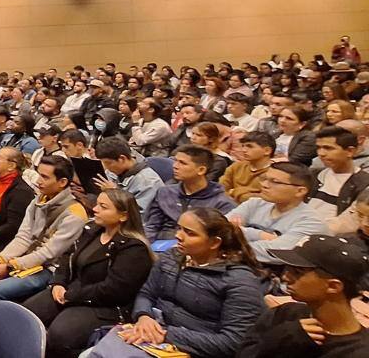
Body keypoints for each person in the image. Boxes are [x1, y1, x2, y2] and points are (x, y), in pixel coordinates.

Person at [91, 208, 265, 358]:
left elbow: (233, 342)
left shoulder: (240, 281)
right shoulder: (170, 257)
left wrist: (166, 334)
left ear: (215, 242)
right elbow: (146, 293)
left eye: (190, 233)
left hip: (195, 349)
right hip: (155, 335)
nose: (178, 236)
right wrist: (144, 317)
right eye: (179, 228)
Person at [22, 189, 155, 358]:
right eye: (97, 204)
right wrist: (58, 283)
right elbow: (67, 257)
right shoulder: (92, 229)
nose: (95, 209)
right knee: (27, 314)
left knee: (60, 334)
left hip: (104, 305)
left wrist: (71, 295)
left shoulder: (134, 249)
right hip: (71, 291)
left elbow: (114, 291)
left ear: (123, 216)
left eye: (103, 207)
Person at [0, 155, 88, 306]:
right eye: (38, 175)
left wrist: (10, 266)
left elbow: (48, 253)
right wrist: (2, 259)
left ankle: (4, 325)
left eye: (45, 177)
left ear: (62, 182)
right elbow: (23, 237)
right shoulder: (38, 200)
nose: (38, 181)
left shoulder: (74, 214)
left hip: (48, 268)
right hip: (25, 257)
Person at [236, 235, 369, 357]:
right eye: (287, 269)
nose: (285, 277)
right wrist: (275, 341)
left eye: (297, 272)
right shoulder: (284, 313)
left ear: (333, 286)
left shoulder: (360, 352)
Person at [227, 162, 327, 265]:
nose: (264, 185)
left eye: (275, 182)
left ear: (300, 191)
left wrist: (237, 233)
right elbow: (219, 229)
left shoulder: (312, 222)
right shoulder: (254, 203)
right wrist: (260, 235)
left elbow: (276, 252)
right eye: (264, 179)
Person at [143, 146, 238, 245]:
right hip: (159, 246)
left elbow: (218, 239)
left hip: (194, 250)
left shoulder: (222, 202)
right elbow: (151, 227)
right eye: (176, 161)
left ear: (201, 170)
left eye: (182, 163)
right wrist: (146, 248)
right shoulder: (164, 192)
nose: (175, 166)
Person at [308, 128, 369, 234]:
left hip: (327, 239)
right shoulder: (313, 174)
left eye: (328, 148)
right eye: (318, 148)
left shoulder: (364, 183)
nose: (321, 153)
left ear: (350, 151)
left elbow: (346, 225)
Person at [95, 137, 164, 212]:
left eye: (108, 163)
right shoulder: (113, 172)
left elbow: (139, 216)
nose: (106, 168)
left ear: (122, 159)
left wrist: (115, 193)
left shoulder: (148, 182)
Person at [221, 131, 277, 203]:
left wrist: (234, 192)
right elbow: (220, 190)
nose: (244, 150)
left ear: (267, 151)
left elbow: (265, 200)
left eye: (250, 146)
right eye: (243, 146)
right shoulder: (236, 167)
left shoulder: (275, 173)